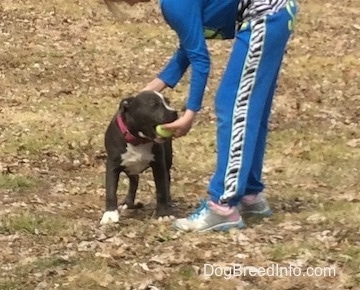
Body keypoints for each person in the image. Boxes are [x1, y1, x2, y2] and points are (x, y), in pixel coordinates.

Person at [104, 0, 298, 232]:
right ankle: (250, 194)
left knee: (233, 105)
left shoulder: (174, 4)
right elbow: (188, 50)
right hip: (278, 13)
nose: (128, 4)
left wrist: (189, 113)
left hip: (265, 15)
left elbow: (200, 60)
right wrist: (146, 92)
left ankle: (222, 208)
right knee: (251, 108)